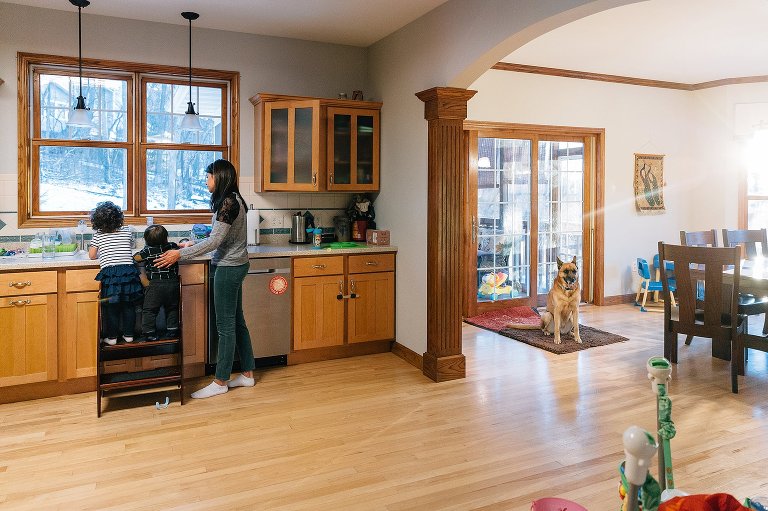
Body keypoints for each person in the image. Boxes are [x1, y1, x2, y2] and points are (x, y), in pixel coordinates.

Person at [154, 159, 254, 399]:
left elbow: (215, 241)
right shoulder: (233, 199)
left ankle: (220, 381)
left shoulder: (229, 202)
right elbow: (218, 236)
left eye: (208, 177)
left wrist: (180, 253)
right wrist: (192, 244)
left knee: (226, 327)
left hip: (229, 268)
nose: (206, 181)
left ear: (219, 178)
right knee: (237, 322)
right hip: (236, 264)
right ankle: (247, 374)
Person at [88, 201, 143, 345]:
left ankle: (112, 338)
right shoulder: (126, 231)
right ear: (119, 218)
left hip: (111, 274)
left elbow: (92, 255)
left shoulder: (98, 235)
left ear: (97, 220)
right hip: (128, 272)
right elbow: (129, 245)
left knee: (111, 307)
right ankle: (129, 335)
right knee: (128, 305)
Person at [133, 225, 180, 341]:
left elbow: (136, 258)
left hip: (155, 285)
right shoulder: (172, 247)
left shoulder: (147, 251)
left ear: (146, 240)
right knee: (172, 308)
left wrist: (138, 253)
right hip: (172, 283)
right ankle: (172, 330)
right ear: (166, 238)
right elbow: (179, 248)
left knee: (150, 310)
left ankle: (149, 333)